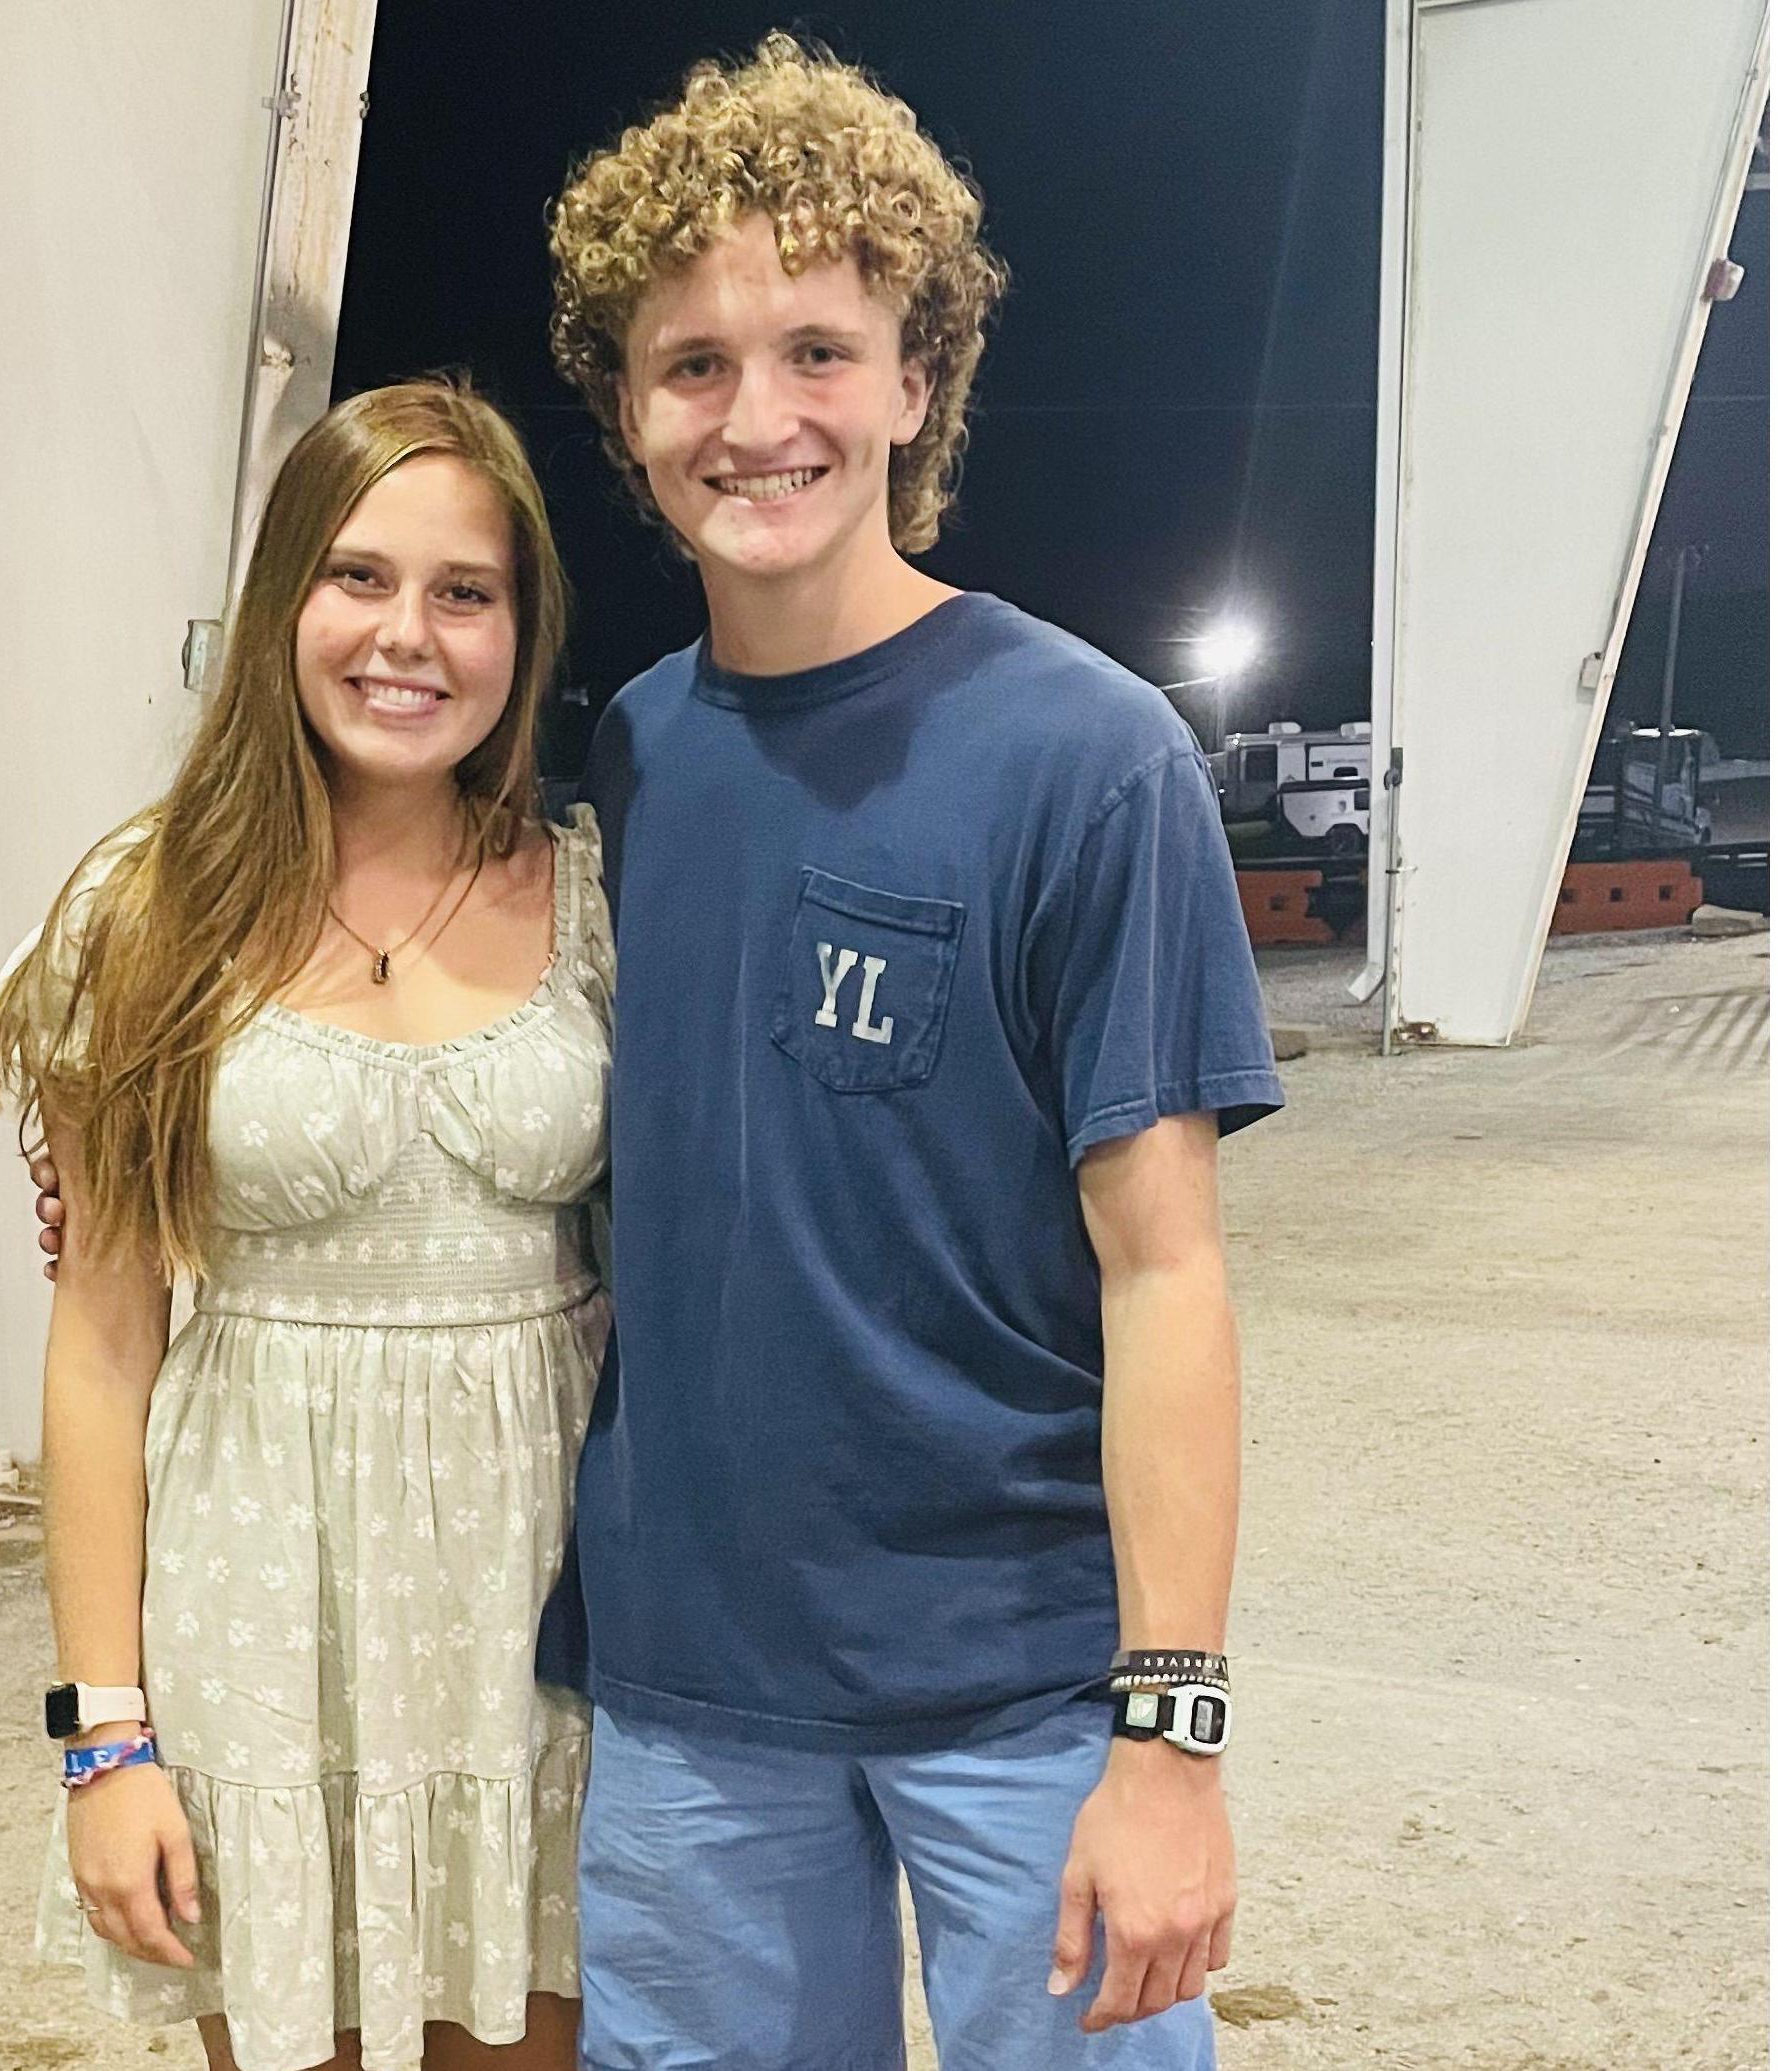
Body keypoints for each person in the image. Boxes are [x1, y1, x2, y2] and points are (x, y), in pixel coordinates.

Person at [540, 36, 1284, 2069]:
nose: (755, 416)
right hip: (694, 1700)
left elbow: (1167, 1273)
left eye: (818, 350)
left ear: (915, 380)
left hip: (1023, 1695)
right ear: (626, 409)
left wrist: (1172, 1738)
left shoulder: (1087, 759)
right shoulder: (636, 756)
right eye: (691, 363)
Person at [0, 378, 607, 2071]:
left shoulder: (600, 894)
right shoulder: (144, 911)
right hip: (259, 1622)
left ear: (521, 631)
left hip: (544, 1631)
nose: (408, 636)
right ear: (280, 604)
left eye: (464, 591)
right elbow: (104, 1347)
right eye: (358, 576)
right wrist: (104, 1740)